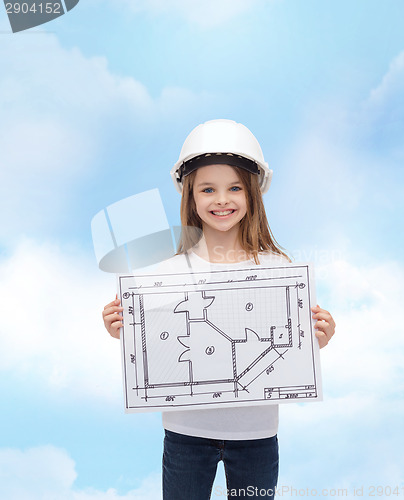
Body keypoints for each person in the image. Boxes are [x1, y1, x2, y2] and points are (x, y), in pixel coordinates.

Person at [102, 119, 336, 499]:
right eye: (208, 189)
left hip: (256, 435)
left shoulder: (277, 269)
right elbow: (154, 347)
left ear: (252, 194)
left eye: (234, 188)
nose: (222, 199)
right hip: (185, 435)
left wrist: (317, 338)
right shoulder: (166, 273)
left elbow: (289, 347)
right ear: (190, 197)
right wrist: (121, 329)